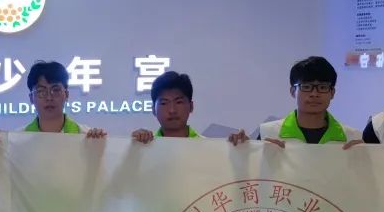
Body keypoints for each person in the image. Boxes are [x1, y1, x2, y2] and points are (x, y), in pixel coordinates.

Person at [0, 61, 107, 161]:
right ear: (31, 98)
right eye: (41, 91)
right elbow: (10, 182)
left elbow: (98, 179)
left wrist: (99, 151)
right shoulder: (17, 141)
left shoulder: (86, 136)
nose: (49, 97)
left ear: (66, 95)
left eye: (56, 90)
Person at [229, 56, 361, 147]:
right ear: (293, 91)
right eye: (306, 87)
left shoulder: (352, 138)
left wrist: (366, 157)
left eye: (322, 87)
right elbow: (252, 174)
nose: (314, 94)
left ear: (332, 93)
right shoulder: (268, 133)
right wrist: (242, 149)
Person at [130, 70, 199, 144]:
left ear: (191, 106)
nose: (172, 110)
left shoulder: (206, 146)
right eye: (164, 103)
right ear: (153, 109)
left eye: (179, 102)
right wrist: (134, 145)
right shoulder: (145, 145)